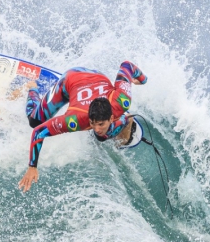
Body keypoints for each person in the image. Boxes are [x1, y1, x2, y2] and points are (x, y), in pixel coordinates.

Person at [18, 61, 147, 192]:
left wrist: (142, 80)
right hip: (70, 79)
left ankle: (125, 119)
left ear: (111, 117)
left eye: (100, 124)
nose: (96, 128)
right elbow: (38, 131)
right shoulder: (74, 120)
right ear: (88, 119)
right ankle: (32, 87)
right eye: (92, 123)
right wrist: (32, 166)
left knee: (101, 135)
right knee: (34, 121)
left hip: (97, 77)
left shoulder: (122, 100)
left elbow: (127, 65)